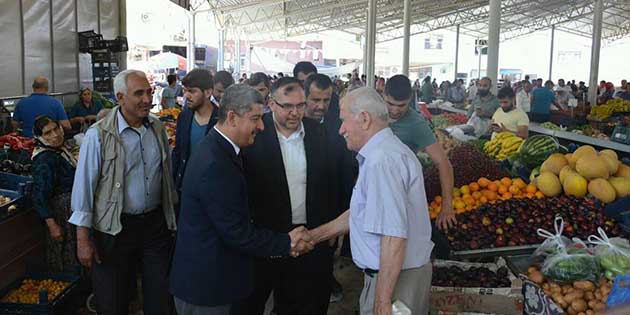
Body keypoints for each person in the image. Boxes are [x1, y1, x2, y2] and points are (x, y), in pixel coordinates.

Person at [170, 84, 313, 315]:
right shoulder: (216, 163)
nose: (261, 126)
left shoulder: (220, 150)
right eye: (255, 118)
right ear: (232, 117)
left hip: (211, 281)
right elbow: (236, 231)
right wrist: (286, 243)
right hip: (208, 288)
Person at [309, 87, 434, 315]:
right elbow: (359, 212)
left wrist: (382, 302)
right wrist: (313, 237)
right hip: (393, 277)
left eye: (344, 120)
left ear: (364, 119)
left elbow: (393, 235)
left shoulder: (382, 161)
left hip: (396, 281)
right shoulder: (382, 154)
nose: (341, 130)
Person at [69, 70, 177, 315]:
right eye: (138, 93)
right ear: (120, 97)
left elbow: (166, 176)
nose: (147, 99)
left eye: (149, 92)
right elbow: (84, 188)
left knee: (159, 296)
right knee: (112, 299)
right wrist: (83, 239)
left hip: (154, 226)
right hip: (113, 229)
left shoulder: (157, 128)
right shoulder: (98, 135)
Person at [232, 78, 338, 314]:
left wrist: (331, 226)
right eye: (287, 106)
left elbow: (332, 181)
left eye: (300, 105)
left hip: (308, 237)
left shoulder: (319, 134)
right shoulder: (255, 135)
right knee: (252, 301)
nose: (295, 113)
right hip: (265, 237)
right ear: (271, 103)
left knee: (301, 302)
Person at [385, 75, 455, 254]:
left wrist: (447, 205)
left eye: (401, 105)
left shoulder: (416, 123)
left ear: (411, 99)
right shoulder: (373, 112)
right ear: (383, 95)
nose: (394, 110)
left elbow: (443, 163)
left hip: (400, 194)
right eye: (390, 103)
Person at [304, 73, 358, 303]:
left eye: (326, 100)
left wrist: (340, 220)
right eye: (315, 100)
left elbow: (345, 174)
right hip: (295, 209)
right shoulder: (291, 126)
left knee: (322, 263)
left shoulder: (338, 128)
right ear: (304, 96)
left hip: (327, 211)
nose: (320, 106)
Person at [32, 116, 78, 272]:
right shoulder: (44, 160)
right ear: (39, 137)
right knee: (67, 251)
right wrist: (52, 226)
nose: (55, 135)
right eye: (47, 133)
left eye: (56, 128)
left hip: (72, 208)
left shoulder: (58, 150)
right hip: (61, 212)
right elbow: (39, 196)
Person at [172, 69, 219, 204]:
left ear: (208, 92)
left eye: (192, 91)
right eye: (185, 90)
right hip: (185, 190)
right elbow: (178, 151)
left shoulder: (222, 119)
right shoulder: (184, 116)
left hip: (212, 193)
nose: (186, 96)